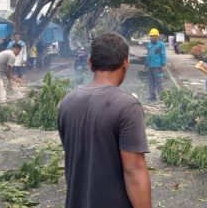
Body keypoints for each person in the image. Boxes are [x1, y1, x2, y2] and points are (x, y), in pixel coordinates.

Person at [58, 32, 151, 208]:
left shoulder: (67, 102)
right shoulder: (127, 106)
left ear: (90, 63)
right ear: (126, 63)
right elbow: (134, 171)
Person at [144, 28, 166, 101]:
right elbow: (148, 55)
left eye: (152, 36)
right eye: (150, 36)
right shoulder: (149, 44)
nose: (150, 38)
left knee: (159, 82)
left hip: (158, 67)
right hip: (150, 66)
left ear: (156, 36)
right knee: (150, 81)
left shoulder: (161, 45)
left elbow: (163, 55)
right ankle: (152, 96)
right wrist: (146, 65)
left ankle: (162, 97)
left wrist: (163, 65)